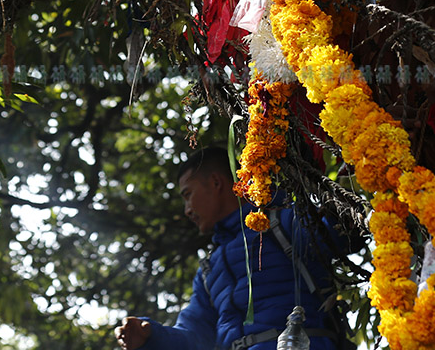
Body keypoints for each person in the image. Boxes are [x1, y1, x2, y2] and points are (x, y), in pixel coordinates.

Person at [115, 148, 340, 350]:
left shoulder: (281, 223)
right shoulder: (208, 270)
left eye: (188, 195)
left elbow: (337, 234)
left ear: (215, 182)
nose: (187, 210)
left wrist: (343, 206)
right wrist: (151, 335)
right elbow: (196, 337)